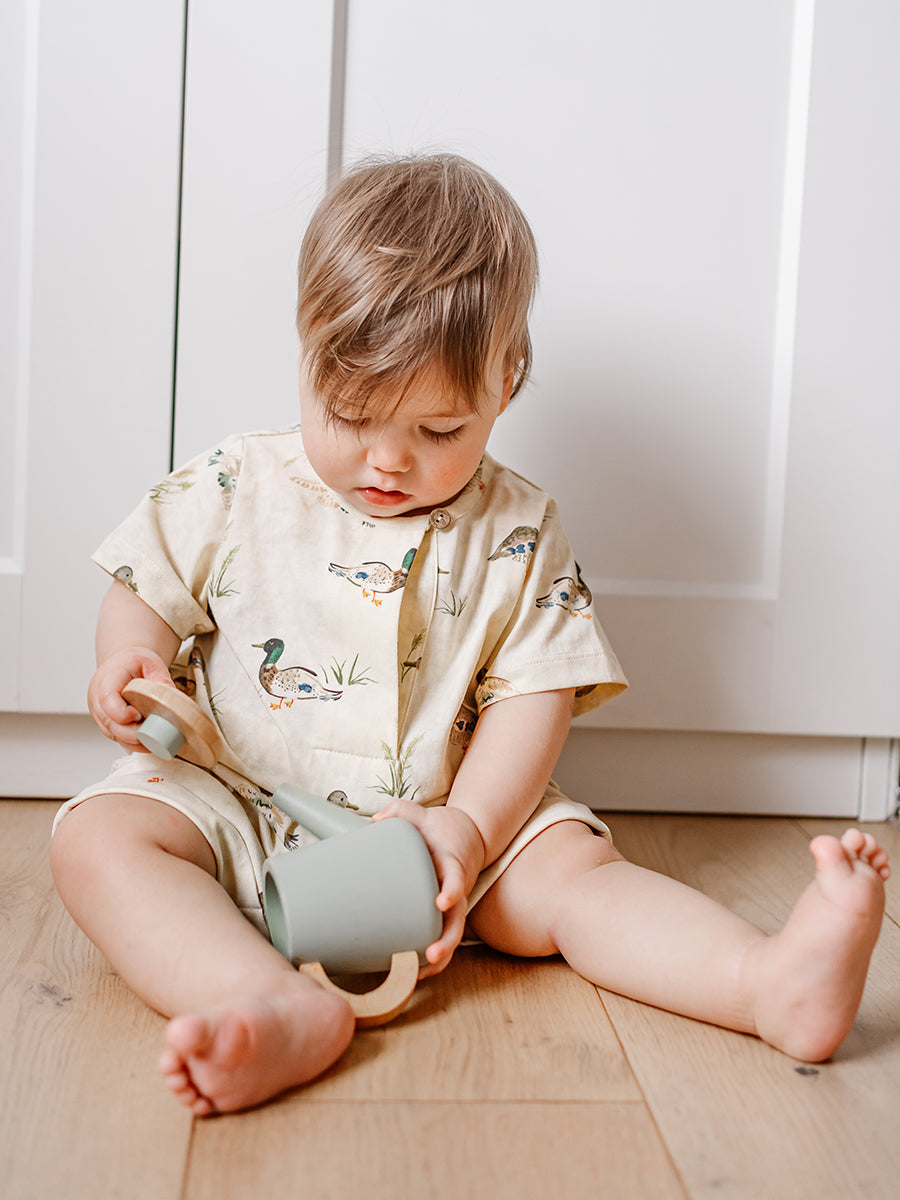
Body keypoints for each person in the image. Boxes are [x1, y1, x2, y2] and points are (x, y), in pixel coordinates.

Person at [51, 153, 890, 1117]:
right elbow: (145, 585)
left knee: (576, 878)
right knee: (101, 841)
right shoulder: (233, 482)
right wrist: (129, 657)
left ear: (506, 381)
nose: (388, 461)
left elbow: (537, 696)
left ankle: (765, 983)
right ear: (306, 351)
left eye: (440, 430)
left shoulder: (518, 528)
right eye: (351, 415)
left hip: (449, 828)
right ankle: (263, 999)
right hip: (235, 803)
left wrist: (472, 827)